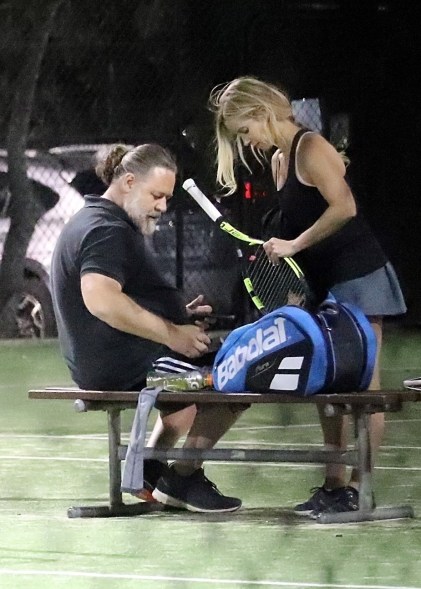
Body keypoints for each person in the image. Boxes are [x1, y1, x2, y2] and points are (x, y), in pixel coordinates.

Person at [209, 76, 407, 518]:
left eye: (245, 129)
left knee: (362, 389)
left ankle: (362, 488)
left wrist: (294, 245)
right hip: (321, 286)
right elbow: (297, 224)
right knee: (325, 383)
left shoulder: (312, 147)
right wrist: (282, 257)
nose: (248, 141)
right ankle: (335, 486)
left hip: (359, 278)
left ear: (261, 112)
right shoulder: (281, 161)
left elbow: (345, 207)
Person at [50, 142, 245, 513]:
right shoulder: (107, 230)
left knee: (202, 376)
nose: (162, 206)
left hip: (113, 358)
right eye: (157, 195)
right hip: (121, 364)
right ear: (127, 182)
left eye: (167, 198)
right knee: (242, 370)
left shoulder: (97, 219)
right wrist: (172, 333)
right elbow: (102, 299)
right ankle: (183, 477)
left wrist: (173, 315)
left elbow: (119, 295)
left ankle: (148, 470)